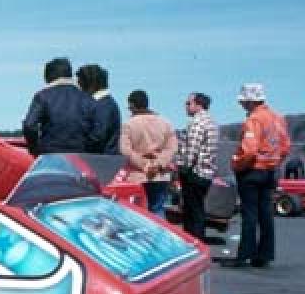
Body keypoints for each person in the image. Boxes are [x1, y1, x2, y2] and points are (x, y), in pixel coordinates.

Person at [224, 83, 290, 268]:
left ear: (250, 101)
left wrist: (237, 164)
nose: (242, 105)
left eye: (243, 101)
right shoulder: (278, 118)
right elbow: (285, 146)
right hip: (270, 171)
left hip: (252, 171)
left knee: (250, 214)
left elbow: (250, 150)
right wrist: (274, 161)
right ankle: (265, 254)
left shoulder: (254, 119)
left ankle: (245, 254)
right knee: (266, 213)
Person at [119, 89, 177, 218]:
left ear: (132, 105)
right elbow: (172, 148)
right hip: (160, 174)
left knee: (138, 213)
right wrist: (158, 164)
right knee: (158, 210)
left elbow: (125, 150)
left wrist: (145, 165)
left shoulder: (128, 124)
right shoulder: (166, 123)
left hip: (138, 175)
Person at [22, 57, 93, 155]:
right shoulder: (86, 97)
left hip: (50, 154)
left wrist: (35, 150)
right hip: (80, 156)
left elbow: (29, 125)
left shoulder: (42, 96)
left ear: (48, 77)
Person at [175, 92, 218, 240]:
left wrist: (182, 168)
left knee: (191, 213)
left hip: (194, 173)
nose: (186, 106)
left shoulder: (197, 122)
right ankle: (198, 240)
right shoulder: (211, 122)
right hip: (207, 173)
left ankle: (193, 242)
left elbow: (191, 151)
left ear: (198, 105)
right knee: (198, 210)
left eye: (189, 103)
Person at [78, 64, 121, 155]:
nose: (80, 90)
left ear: (91, 84)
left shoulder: (104, 106)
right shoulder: (105, 103)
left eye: (81, 85)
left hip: (102, 159)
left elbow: (97, 136)